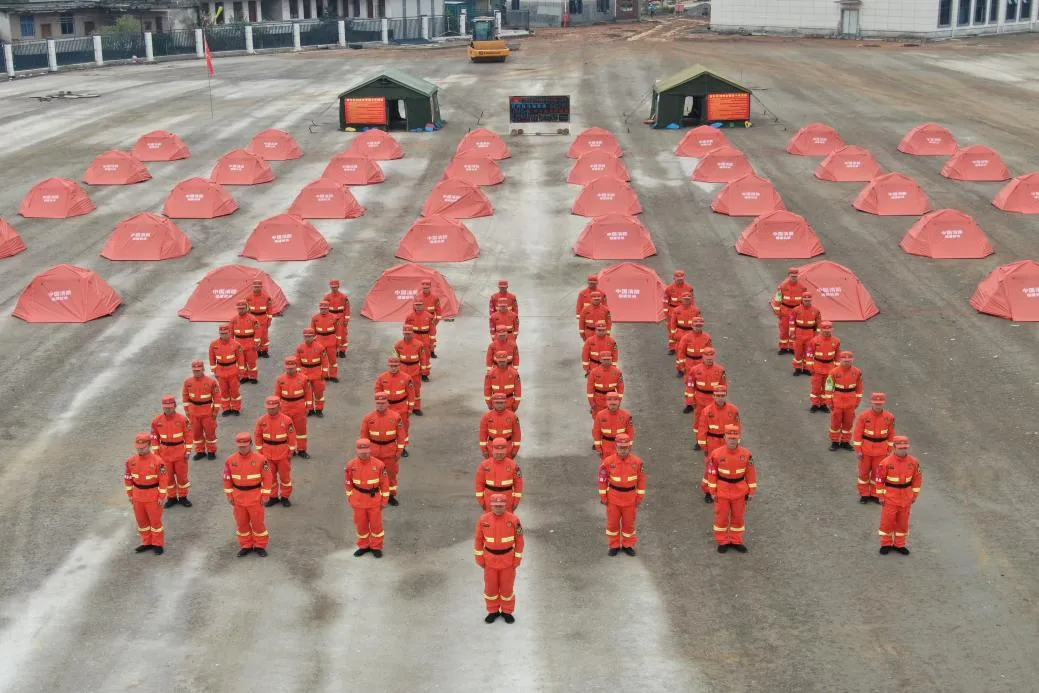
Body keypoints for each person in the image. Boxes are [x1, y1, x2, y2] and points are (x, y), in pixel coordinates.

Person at [704, 425, 757, 553]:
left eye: (735, 438)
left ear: (739, 438)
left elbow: (751, 473)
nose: (732, 440)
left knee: (738, 517)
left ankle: (736, 540)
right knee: (721, 517)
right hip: (722, 491)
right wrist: (712, 491)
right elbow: (712, 473)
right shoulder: (716, 454)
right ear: (724, 437)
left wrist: (752, 491)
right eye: (730, 437)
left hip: (740, 491)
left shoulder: (746, 454)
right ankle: (722, 541)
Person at [474, 493, 524, 624]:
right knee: (490, 588)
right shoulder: (483, 520)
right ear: (491, 505)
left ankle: (507, 611)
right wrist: (479, 557)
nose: (498, 508)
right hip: (489, 560)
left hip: (508, 560)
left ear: (505, 505)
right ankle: (493, 611)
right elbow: (478, 539)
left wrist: (517, 559)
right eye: (496, 506)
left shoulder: (514, 520)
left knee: (507, 588)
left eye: (501, 506)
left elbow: (520, 541)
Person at [223, 432, 273, 557]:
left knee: (258, 523)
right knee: (242, 523)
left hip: (255, 496)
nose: (243, 448)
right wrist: (229, 495)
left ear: (251, 444)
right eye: (240, 446)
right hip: (238, 497)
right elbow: (227, 479)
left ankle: (260, 545)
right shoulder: (230, 460)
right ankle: (246, 545)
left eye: (245, 446)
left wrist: (266, 495)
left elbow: (268, 478)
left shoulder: (261, 459)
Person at [598, 434, 645, 556]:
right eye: (621, 447)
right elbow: (602, 480)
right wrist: (603, 497)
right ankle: (614, 545)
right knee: (612, 524)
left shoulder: (637, 462)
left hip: (630, 499)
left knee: (629, 524)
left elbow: (641, 480)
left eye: (626, 447)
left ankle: (627, 545)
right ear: (616, 447)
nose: (623, 450)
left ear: (630, 447)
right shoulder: (608, 462)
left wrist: (640, 497)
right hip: (613, 499)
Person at [876, 435, 921, 556]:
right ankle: (886, 544)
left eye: (905, 448)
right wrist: (881, 496)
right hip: (890, 498)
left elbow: (917, 480)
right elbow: (879, 481)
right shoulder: (885, 463)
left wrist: (914, 495)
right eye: (900, 448)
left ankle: (899, 544)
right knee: (887, 522)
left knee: (903, 523)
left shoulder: (914, 462)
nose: (903, 450)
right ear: (894, 447)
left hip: (906, 498)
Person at [124, 432, 168, 555]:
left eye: (143, 448)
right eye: (138, 448)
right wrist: (130, 494)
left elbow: (163, 480)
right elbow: (128, 478)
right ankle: (147, 542)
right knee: (142, 522)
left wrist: (162, 496)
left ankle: (157, 544)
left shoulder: (158, 461)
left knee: (155, 522)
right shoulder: (131, 461)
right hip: (137, 496)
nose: (140, 450)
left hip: (152, 496)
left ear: (149, 445)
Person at [345, 438, 390, 557]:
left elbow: (385, 484)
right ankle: (364, 546)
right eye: (361, 451)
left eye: (366, 451)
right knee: (361, 525)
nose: (364, 454)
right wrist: (350, 496)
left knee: (376, 525)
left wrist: (385, 500)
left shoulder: (379, 465)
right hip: (358, 501)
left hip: (374, 500)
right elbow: (348, 482)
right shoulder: (351, 465)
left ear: (370, 450)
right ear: (356, 450)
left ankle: (376, 546)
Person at [697, 388, 741, 501]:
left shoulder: (733, 410)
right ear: (714, 396)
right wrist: (704, 446)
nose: (720, 398)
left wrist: (736, 442)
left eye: (722, 395)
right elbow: (702, 429)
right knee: (711, 467)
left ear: (725, 396)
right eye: (718, 396)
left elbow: (738, 427)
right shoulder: (707, 411)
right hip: (712, 442)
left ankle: (728, 490)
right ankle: (708, 491)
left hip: (728, 442)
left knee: (728, 465)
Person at [360, 393, 405, 505]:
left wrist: (399, 451)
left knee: (390, 475)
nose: (380, 405)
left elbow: (401, 436)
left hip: (390, 451)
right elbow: (364, 437)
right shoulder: (368, 418)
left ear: (387, 403)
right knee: (373, 475)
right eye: (378, 403)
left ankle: (390, 496)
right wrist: (365, 453)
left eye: (383, 403)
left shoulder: (395, 417)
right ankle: (374, 495)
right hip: (374, 452)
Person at [151, 394, 193, 508]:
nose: (168, 409)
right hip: (164, 454)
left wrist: (188, 451)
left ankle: (183, 497)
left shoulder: (183, 419)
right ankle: (172, 497)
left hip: (180, 453)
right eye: (165, 407)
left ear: (174, 406)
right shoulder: (157, 421)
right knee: (168, 477)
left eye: (170, 407)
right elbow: (154, 438)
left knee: (182, 477)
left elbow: (189, 435)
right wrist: (156, 454)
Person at [853, 393, 896, 503]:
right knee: (863, 473)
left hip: (881, 451)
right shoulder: (864, 416)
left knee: (878, 474)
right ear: (872, 403)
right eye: (876, 403)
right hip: (865, 450)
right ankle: (864, 494)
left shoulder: (889, 417)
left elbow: (891, 434)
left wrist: (889, 450)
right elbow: (857, 433)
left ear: (883, 404)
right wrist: (858, 450)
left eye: (880, 404)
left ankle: (875, 493)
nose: (878, 406)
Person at [255, 396, 297, 507]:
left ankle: (285, 497)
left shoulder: (287, 420)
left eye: (273, 408)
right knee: (270, 477)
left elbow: (292, 436)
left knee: (285, 478)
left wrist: (291, 451)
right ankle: (273, 497)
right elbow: (258, 436)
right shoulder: (262, 421)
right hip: (267, 454)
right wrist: (260, 451)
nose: (271, 410)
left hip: (283, 454)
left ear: (279, 407)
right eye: (269, 408)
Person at [684, 347, 727, 448]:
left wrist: (721, 400)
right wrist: (690, 399)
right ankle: (700, 441)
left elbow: (724, 386)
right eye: (707, 357)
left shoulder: (720, 370)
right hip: (699, 400)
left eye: (711, 357)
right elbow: (690, 385)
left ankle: (716, 442)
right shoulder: (695, 370)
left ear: (714, 357)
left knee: (714, 421)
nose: (709, 359)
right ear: (703, 356)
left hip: (714, 400)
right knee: (699, 421)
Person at [375, 356, 416, 457]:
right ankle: (389, 449)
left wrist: (410, 408)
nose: (393, 368)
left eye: (395, 366)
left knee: (403, 429)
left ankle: (403, 447)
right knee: (387, 428)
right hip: (387, 408)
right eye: (391, 366)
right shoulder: (382, 378)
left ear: (399, 365)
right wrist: (381, 406)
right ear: (388, 366)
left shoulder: (406, 378)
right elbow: (378, 392)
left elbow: (411, 394)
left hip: (401, 407)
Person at [274, 356, 313, 458]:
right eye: (288, 368)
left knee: (301, 430)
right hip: (285, 407)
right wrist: (276, 409)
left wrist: (308, 407)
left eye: (292, 368)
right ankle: (290, 449)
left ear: (296, 366)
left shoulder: (304, 379)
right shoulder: (280, 379)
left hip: (299, 406)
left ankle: (302, 450)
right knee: (286, 429)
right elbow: (277, 395)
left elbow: (308, 393)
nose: (290, 370)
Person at [825, 350, 863, 451]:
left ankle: (845, 442)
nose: (847, 361)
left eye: (849, 359)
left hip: (850, 401)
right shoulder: (833, 372)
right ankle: (835, 442)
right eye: (844, 359)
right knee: (835, 423)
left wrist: (857, 401)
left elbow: (859, 388)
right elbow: (829, 387)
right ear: (840, 359)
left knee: (848, 423)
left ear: (852, 360)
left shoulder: (857, 372)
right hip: (837, 400)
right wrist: (828, 401)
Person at [183, 359, 220, 460]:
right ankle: (200, 451)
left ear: (203, 369)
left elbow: (217, 397)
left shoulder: (211, 382)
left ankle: (211, 451)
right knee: (196, 433)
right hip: (193, 413)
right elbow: (185, 397)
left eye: (198, 370)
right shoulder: (188, 382)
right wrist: (187, 410)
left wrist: (215, 411)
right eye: (194, 370)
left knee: (210, 433)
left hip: (207, 412)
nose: (196, 372)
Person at [475, 437, 524, 511]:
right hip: (489, 500)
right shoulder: (484, 465)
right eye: (497, 453)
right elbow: (479, 484)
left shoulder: (513, 465)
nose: (499, 455)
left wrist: (516, 501)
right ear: (492, 450)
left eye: (501, 453)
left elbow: (518, 484)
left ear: (506, 451)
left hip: (507, 501)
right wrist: (481, 501)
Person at [209, 324, 244, 416]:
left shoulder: (236, 344)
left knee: (234, 391)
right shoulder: (214, 344)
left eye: (225, 333)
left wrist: (241, 371)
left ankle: (236, 408)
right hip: (220, 371)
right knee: (224, 391)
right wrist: (214, 370)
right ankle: (226, 408)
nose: (223, 335)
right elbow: (212, 358)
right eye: (222, 333)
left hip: (233, 371)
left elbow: (240, 359)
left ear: (229, 333)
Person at [805, 320, 840, 412]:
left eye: (829, 330)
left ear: (832, 330)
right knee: (816, 387)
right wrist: (810, 367)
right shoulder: (814, 341)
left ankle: (824, 404)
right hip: (817, 367)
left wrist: (837, 369)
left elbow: (837, 355)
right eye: (825, 330)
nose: (827, 332)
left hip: (830, 368)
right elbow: (809, 354)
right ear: (821, 330)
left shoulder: (836, 341)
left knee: (827, 388)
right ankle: (815, 404)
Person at [394, 325, 429, 415]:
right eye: (405, 333)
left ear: (412, 333)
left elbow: (423, 358)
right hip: (402, 370)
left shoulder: (419, 344)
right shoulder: (398, 344)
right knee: (403, 389)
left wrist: (423, 371)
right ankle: (405, 407)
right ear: (403, 333)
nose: (407, 335)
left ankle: (416, 408)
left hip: (415, 370)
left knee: (416, 389)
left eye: (409, 333)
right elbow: (395, 358)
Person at [769, 267, 804, 354]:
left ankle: (792, 347)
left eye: (795, 276)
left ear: (797, 276)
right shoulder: (782, 286)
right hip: (785, 311)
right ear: (788, 276)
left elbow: (804, 302)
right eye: (792, 276)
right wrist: (778, 312)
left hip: (796, 311)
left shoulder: (802, 287)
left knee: (794, 330)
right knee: (784, 330)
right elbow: (778, 300)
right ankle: (783, 347)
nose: (794, 278)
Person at [296, 327, 330, 417]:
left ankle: (319, 409)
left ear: (313, 337)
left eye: (309, 336)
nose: (307, 338)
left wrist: (324, 373)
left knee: (319, 393)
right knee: (307, 393)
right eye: (306, 337)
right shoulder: (300, 348)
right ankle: (310, 409)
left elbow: (325, 361)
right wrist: (298, 374)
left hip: (317, 374)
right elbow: (298, 362)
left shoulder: (320, 348)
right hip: (304, 374)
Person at [592, 391, 635, 459]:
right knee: (607, 465)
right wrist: (598, 448)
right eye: (611, 404)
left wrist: (629, 446)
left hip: (621, 446)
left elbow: (630, 432)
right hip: (606, 447)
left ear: (619, 403)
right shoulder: (600, 415)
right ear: (607, 403)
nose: (612, 406)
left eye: (614, 404)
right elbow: (596, 432)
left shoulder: (626, 415)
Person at [479, 393, 522, 458]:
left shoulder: (513, 416)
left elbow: (517, 434)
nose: (499, 405)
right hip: (491, 448)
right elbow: (483, 434)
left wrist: (515, 449)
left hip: (508, 448)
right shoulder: (486, 417)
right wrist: (484, 450)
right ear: (493, 403)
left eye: (501, 403)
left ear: (506, 403)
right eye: (497, 403)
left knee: (507, 464)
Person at [229, 299, 262, 383]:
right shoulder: (233, 320)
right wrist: (231, 345)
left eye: (243, 308)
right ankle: (244, 376)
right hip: (238, 345)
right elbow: (231, 333)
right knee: (241, 363)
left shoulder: (252, 319)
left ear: (246, 308)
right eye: (239, 308)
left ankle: (253, 377)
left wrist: (256, 343)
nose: (241, 310)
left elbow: (258, 331)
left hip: (250, 344)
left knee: (251, 362)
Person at [790, 291, 822, 376]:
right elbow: (792, 321)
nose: (807, 302)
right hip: (799, 332)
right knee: (798, 352)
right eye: (805, 300)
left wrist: (817, 335)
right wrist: (792, 332)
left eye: (809, 300)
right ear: (802, 300)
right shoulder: (796, 310)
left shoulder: (816, 311)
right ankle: (797, 368)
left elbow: (818, 324)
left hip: (810, 333)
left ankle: (807, 369)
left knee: (809, 353)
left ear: (811, 300)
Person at [311, 300, 343, 383]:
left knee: (333, 360)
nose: (323, 310)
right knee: (320, 360)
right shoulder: (315, 318)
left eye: (325, 308)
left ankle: (333, 376)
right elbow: (312, 331)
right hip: (319, 341)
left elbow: (338, 331)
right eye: (321, 309)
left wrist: (338, 342)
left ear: (328, 308)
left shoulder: (335, 318)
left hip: (331, 341)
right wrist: (313, 343)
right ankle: (322, 375)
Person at [404, 299, 435, 380]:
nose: (418, 306)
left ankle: (425, 374)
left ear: (423, 305)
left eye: (420, 305)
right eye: (416, 305)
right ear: (414, 305)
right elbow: (406, 330)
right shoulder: (409, 316)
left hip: (425, 339)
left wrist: (432, 343)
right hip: (414, 338)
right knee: (414, 357)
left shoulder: (429, 316)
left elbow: (432, 331)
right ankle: (414, 374)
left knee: (425, 357)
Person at [663, 270, 693, 353]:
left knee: (685, 329)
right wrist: (666, 313)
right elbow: (665, 301)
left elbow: (692, 301)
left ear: (684, 278)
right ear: (674, 278)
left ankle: (684, 347)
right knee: (672, 329)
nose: (680, 280)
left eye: (681, 278)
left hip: (685, 311)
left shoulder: (689, 288)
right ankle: (672, 347)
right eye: (678, 278)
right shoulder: (669, 289)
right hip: (672, 311)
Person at [586, 350, 624, 416]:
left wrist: (618, 400)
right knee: (597, 417)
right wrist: (591, 402)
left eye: (608, 359)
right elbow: (590, 389)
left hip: (612, 399)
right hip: (598, 400)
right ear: (600, 360)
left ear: (611, 359)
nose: (606, 361)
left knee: (612, 417)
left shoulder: (617, 372)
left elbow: (621, 388)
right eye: (604, 359)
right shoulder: (594, 372)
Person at [245, 279, 274, 357]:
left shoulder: (267, 297)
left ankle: (264, 351)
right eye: (255, 287)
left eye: (258, 287)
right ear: (253, 287)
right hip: (252, 319)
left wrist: (269, 320)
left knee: (264, 336)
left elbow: (270, 310)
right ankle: (257, 351)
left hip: (263, 319)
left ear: (261, 287)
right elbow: (246, 311)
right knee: (254, 336)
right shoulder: (248, 298)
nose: (257, 288)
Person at [322, 279, 351, 357]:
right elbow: (323, 309)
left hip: (341, 317)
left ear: (338, 286)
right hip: (330, 317)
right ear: (330, 287)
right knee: (331, 335)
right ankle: (333, 351)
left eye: (335, 287)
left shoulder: (343, 297)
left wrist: (346, 320)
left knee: (343, 334)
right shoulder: (327, 297)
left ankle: (342, 351)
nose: (334, 288)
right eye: (332, 287)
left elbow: (347, 309)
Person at [419, 279, 443, 358]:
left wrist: (436, 321)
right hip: (421, 320)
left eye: (427, 288)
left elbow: (438, 311)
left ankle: (432, 351)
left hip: (431, 320)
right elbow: (414, 309)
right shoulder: (418, 297)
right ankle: (420, 352)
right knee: (420, 336)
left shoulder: (434, 297)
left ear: (430, 287)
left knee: (432, 337)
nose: (425, 289)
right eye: (424, 288)